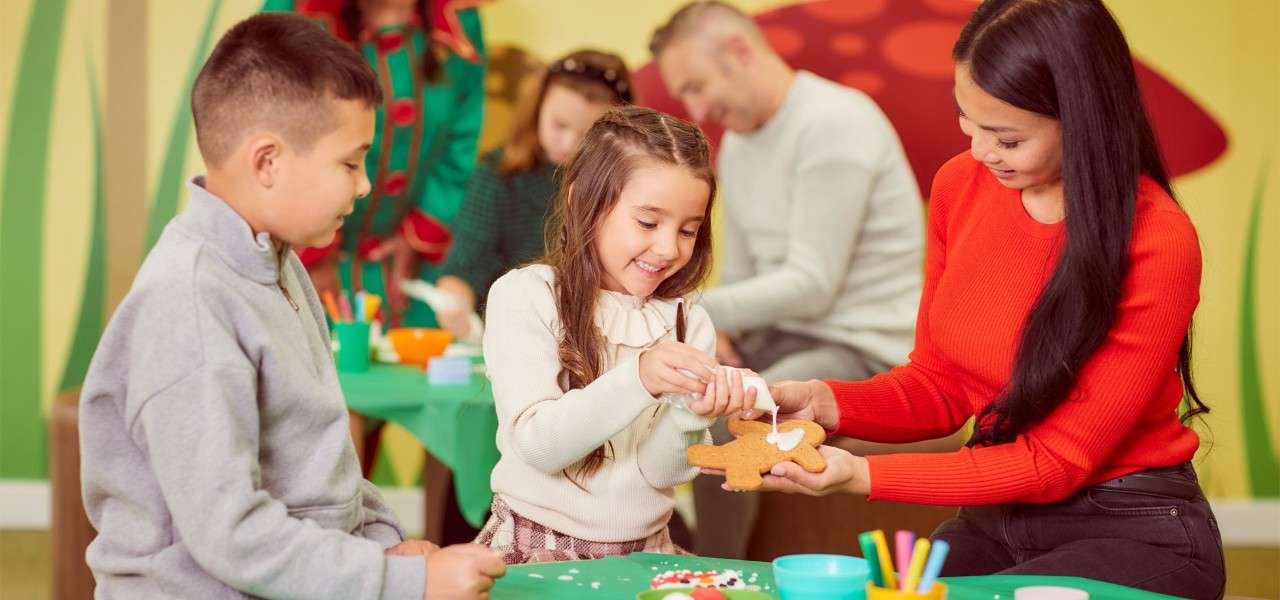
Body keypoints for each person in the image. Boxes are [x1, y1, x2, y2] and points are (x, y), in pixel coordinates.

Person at [749, 0, 1225, 595]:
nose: (978, 151)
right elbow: (941, 384)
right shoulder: (959, 188)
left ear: (1082, 119)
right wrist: (824, 404)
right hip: (1000, 516)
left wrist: (859, 474)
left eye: (1006, 137)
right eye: (966, 120)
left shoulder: (1158, 239)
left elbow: (1056, 462)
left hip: (1130, 525)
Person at [77, 14, 504, 598]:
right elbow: (232, 535)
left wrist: (384, 545)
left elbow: (322, 467)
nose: (363, 187)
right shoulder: (191, 304)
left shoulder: (279, 264)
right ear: (268, 162)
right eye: (351, 164)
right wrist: (399, 580)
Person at [650, 0, 925, 558]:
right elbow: (744, 278)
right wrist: (715, 339)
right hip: (782, 334)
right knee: (673, 391)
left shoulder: (834, 124)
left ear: (739, 52)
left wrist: (686, 306)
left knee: (734, 424)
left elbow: (812, 283)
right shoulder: (742, 142)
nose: (699, 107)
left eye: (698, 87)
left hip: (856, 346)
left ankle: (715, 570)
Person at [476, 106, 757, 564]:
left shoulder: (690, 322)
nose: (669, 249)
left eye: (688, 230)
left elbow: (661, 472)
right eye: (648, 223)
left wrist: (691, 414)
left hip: (645, 554)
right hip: (537, 552)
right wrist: (641, 378)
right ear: (581, 201)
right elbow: (539, 446)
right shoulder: (526, 296)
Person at [263, 0, 488, 329]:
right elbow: (272, 131)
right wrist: (311, 248)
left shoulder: (458, 18)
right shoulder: (295, 11)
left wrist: (417, 234)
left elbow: (461, 138)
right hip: (307, 258)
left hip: (409, 271)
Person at [433, 49, 634, 341]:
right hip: (509, 336)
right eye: (559, 125)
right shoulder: (499, 174)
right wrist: (455, 301)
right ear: (536, 108)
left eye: (586, 135)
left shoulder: (624, 187)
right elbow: (466, 264)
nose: (568, 143)